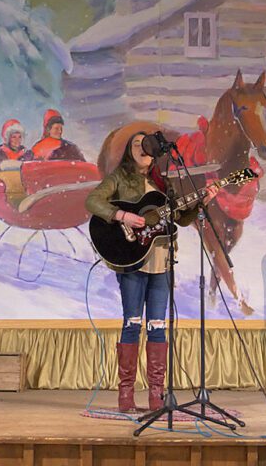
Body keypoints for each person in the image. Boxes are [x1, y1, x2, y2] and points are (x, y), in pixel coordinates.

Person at [85, 131, 218, 413]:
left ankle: (156, 397)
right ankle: (125, 396)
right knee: (132, 324)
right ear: (130, 151)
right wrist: (121, 215)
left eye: (147, 145)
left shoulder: (163, 183)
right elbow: (93, 201)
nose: (143, 148)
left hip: (161, 263)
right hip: (133, 261)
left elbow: (181, 219)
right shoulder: (119, 178)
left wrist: (203, 200)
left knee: (158, 327)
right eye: (137, 144)